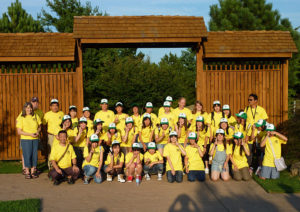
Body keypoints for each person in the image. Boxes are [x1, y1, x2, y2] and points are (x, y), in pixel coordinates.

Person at [16, 97, 43, 175]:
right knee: (26, 154)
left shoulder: (36, 114)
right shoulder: (22, 115)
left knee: (34, 155)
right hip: (26, 139)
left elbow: (39, 125)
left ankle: (33, 170)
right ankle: (26, 170)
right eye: (27, 108)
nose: (29, 109)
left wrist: (38, 132)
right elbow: (19, 129)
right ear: (25, 108)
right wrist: (29, 134)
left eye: (30, 108)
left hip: (35, 138)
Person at [43, 99, 64, 169]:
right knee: (51, 151)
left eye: (56, 105)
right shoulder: (47, 114)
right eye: (53, 105)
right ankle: (51, 166)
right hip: (51, 136)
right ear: (50, 107)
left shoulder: (61, 113)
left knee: (60, 150)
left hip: (61, 136)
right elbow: (43, 124)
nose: (55, 107)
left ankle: (59, 165)